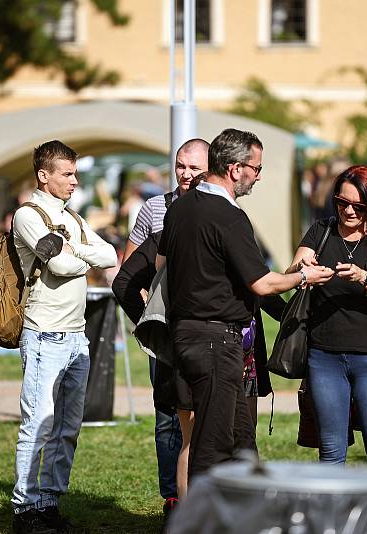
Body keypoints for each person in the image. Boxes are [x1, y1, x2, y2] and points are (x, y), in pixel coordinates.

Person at [158, 128, 322, 479]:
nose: (258, 176)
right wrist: (305, 277)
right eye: (256, 168)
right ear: (235, 169)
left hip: (188, 335)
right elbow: (261, 283)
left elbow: (169, 269)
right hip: (216, 341)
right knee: (213, 445)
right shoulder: (230, 216)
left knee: (241, 441)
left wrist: (287, 273)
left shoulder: (179, 208)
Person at [11, 140, 116, 534]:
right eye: (67, 174)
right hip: (43, 334)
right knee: (38, 423)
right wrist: (79, 253)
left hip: (77, 336)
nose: (75, 181)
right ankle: (24, 510)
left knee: (68, 428)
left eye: (75, 174)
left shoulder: (71, 216)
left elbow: (110, 256)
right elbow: (59, 262)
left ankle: (49, 503)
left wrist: (77, 251)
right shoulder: (28, 215)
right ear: (44, 176)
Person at [288, 165, 367, 466]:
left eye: (358, 206)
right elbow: (290, 273)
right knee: (330, 450)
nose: (349, 211)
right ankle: (332, 514)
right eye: (342, 203)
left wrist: (363, 278)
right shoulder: (321, 231)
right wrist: (303, 269)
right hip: (324, 356)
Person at [120, 138, 209, 518]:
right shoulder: (154, 209)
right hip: (168, 332)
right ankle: (173, 497)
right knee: (168, 416)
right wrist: (147, 320)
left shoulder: (218, 208)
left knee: (207, 414)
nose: (186, 174)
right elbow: (129, 269)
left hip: (206, 330)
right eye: (180, 166)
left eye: (195, 168)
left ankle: (206, 494)